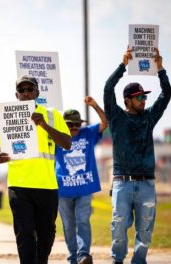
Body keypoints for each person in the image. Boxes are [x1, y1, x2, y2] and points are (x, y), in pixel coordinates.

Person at [0, 75, 71, 264]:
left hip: (46, 186)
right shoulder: (9, 116)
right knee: (25, 234)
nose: (26, 93)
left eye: (30, 89)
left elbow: (67, 143)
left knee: (46, 235)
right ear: (16, 95)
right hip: (19, 186)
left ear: (37, 92)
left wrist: (43, 124)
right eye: (22, 90)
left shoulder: (52, 114)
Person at [103, 48, 171, 264]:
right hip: (122, 182)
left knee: (145, 228)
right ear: (127, 100)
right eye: (139, 97)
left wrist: (160, 69)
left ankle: (138, 261)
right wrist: (122, 65)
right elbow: (107, 89)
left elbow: (166, 94)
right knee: (119, 224)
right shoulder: (116, 117)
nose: (143, 100)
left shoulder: (149, 117)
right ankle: (118, 260)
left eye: (144, 97)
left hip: (147, 185)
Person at [54, 97, 108, 264]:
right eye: (70, 125)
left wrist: (95, 106)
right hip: (63, 189)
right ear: (63, 125)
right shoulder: (56, 137)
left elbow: (105, 123)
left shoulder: (88, 133)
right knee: (69, 225)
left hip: (85, 187)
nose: (74, 128)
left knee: (83, 220)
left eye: (77, 124)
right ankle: (73, 256)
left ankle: (83, 254)